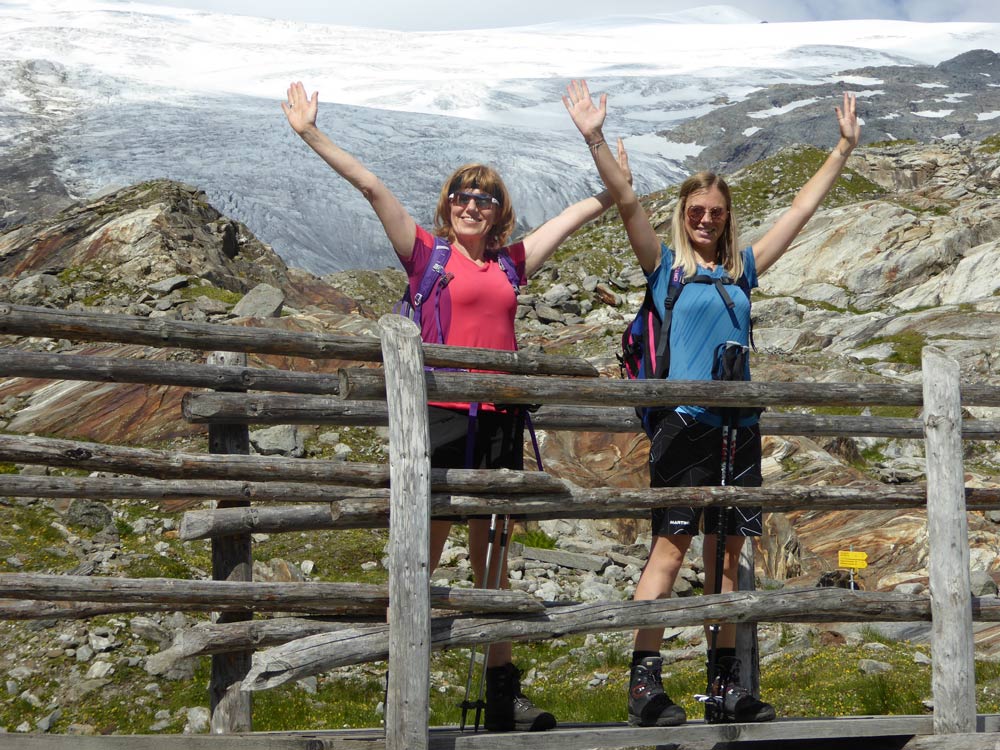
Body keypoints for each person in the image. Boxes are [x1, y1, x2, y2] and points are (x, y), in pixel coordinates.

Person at [283, 80, 629, 732]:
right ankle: (405, 683)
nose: (474, 203)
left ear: (500, 212)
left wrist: (597, 142)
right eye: (463, 194)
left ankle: (502, 693)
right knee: (423, 551)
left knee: (492, 560)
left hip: (498, 420)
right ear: (447, 205)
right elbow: (372, 187)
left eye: (487, 196)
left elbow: (593, 207)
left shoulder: (512, 264)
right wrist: (310, 133)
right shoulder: (426, 256)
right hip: (440, 418)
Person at [563, 79, 859, 726]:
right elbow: (628, 200)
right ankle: (646, 687)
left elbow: (799, 215)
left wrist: (840, 150)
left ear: (727, 219)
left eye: (716, 212)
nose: (706, 218)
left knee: (727, 557)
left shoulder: (742, 272)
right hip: (684, 428)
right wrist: (592, 136)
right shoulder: (664, 269)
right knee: (670, 549)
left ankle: (724, 685)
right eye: (697, 210)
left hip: (738, 430)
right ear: (685, 214)